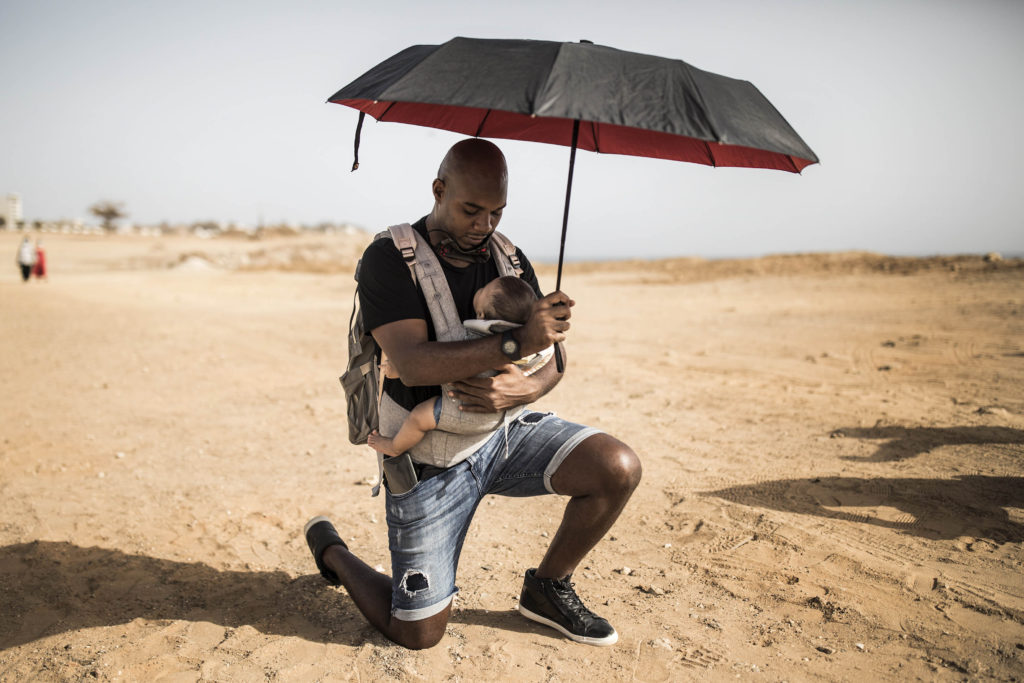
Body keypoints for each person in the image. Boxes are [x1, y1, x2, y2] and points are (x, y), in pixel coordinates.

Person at [304, 138, 641, 650]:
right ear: (439, 190)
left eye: (497, 212)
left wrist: (527, 388)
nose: (485, 226)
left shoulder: (509, 257)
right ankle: (332, 550)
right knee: (416, 634)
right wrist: (514, 340)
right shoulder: (390, 259)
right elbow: (414, 359)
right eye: (471, 210)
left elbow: (553, 359)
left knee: (617, 466)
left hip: (501, 435)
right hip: (429, 455)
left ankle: (547, 589)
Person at [366, 275, 554, 458]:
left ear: (480, 315)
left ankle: (394, 446)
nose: (481, 287)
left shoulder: (470, 340)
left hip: (463, 410)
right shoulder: (526, 343)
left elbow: (438, 364)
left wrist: (396, 370)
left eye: (484, 291)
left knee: (419, 418)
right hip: (500, 417)